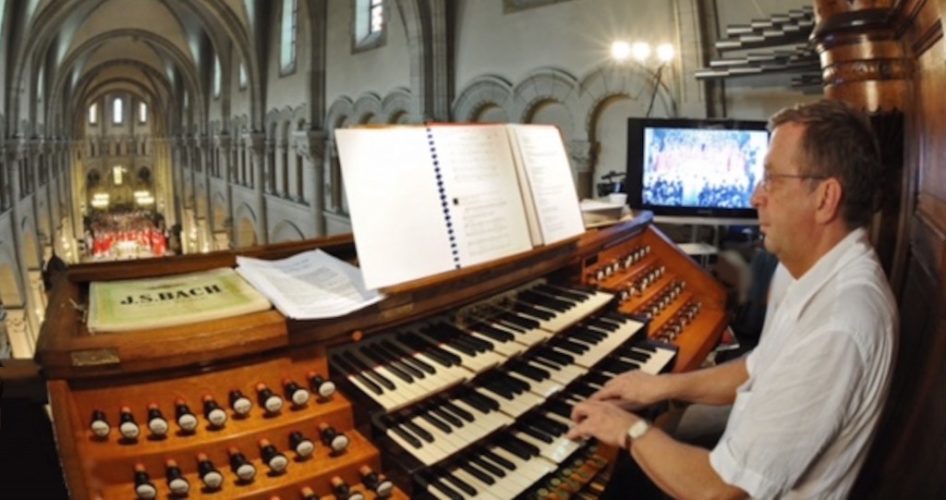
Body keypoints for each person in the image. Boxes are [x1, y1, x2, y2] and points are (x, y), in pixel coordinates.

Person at [567, 99, 898, 499]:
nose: (756, 196)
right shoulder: (814, 272)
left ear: (825, 198)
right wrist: (660, 386)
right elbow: (754, 370)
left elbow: (720, 491)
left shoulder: (840, 323)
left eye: (772, 179)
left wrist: (629, 429)